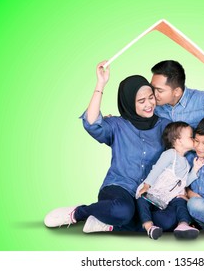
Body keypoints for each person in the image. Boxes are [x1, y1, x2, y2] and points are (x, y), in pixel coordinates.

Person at [44, 61, 171, 233]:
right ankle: (80, 212)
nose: (149, 104)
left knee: (168, 221)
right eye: (141, 101)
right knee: (123, 210)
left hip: (148, 193)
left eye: (151, 97)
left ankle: (107, 223)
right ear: (128, 103)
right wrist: (100, 84)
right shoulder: (117, 125)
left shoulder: (165, 125)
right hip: (119, 188)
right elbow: (92, 122)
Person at [135, 121, 204, 240]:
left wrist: (196, 168)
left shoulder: (186, 163)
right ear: (178, 141)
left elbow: (185, 182)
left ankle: (183, 224)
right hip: (152, 194)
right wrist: (146, 186)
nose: (194, 139)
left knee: (181, 201)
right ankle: (149, 227)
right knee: (141, 200)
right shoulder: (170, 154)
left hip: (166, 200)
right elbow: (156, 170)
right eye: (191, 137)